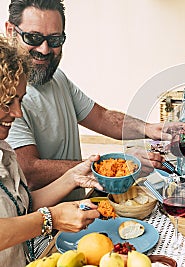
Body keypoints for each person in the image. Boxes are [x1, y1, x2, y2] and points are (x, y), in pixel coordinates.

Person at [3, 0, 185, 200]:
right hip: (45, 223)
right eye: (33, 37)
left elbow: (101, 117)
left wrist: (150, 128)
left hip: (79, 211)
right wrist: (114, 164)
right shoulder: (9, 101)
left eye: (55, 40)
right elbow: (29, 172)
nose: (45, 49)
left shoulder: (57, 77)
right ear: (10, 30)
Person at [0, 34, 102, 267]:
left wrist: (72, 177)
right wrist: (51, 218)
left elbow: (22, 208)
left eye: (20, 101)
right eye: (7, 102)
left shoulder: (4, 150)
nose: (17, 113)